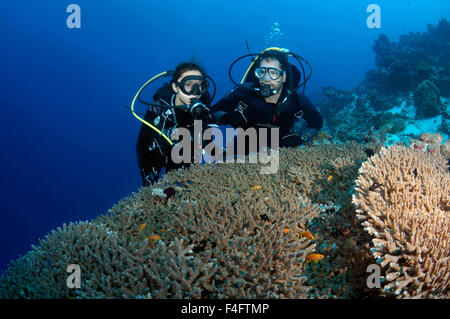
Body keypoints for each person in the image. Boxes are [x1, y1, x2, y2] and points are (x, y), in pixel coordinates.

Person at [212, 49, 323, 153]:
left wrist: (302, 137)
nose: (266, 78)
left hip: (282, 149)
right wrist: (227, 116)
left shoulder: (297, 100)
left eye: (273, 73)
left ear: (284, 77)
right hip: (243, 145)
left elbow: (317, 122)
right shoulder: (243, 92)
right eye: (262, 72)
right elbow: (213, 111)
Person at [136, 62, 216, 186]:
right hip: (158, 154)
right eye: (188, 85)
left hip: (184, 156)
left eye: (200, 85)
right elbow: (142, 145)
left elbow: (207, 143)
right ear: (175, 87)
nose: (195, 92)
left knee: (178, 189)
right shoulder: (159, 108)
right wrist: (148, 178)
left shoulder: (203, 105)